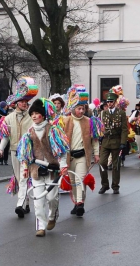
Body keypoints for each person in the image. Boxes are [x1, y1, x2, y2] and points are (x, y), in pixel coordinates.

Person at [17, 98, 69, 237]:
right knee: (38, 201)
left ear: (43, 115)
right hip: (36, 171)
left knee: (52, 198)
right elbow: (24, 154)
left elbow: (61, 151)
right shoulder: (28, 134)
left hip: (52, 170)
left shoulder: (53, 130)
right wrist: (25, 167)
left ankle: (52, 216)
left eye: (36, 113)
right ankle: (41, 226)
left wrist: (63, 165)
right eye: (32, 113)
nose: (34, 116)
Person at [0, 77, 37, 218]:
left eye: (26, 102)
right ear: (16, 104)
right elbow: (5, 136)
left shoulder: (32, 117)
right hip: (14, 151)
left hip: (27, 153)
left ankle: (19, 205)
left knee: (24, 177)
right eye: (23, 102)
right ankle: (26, 204)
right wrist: (1, 149)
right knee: (19, 178)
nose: (25, 104)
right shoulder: (8, 119)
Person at [61, 85, 102, 216]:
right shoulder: (65, 121)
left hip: (83, 156)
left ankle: (80, 203)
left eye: (83, 108)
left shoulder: (89, 122)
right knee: (73, 181)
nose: (81, 111)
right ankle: (76, 203)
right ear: (73, 109)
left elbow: (94, 139)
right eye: (79, 108)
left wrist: (96, 154)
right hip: (70, 156)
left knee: (80, 179)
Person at [99, 91, 128, 195]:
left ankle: (115, 186)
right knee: (102, 163)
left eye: (111, 101)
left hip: (116, 141)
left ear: (115, 102)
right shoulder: (104, 113)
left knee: (115, 165)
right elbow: (101, 126)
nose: (109, 103)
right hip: (106, 141)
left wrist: (123, 142)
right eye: (108, 102)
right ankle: (104, 185)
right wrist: (100, 136)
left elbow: (124, 129)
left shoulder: (121, 113)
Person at [0, 101, 10, 165]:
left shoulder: (7, 113)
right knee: (0, 146)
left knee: (6, 146)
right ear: (3, 106)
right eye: (6, 105)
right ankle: (0, 160)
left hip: (6, 132)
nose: (7, 106)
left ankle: (5, 159)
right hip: (0, 132)